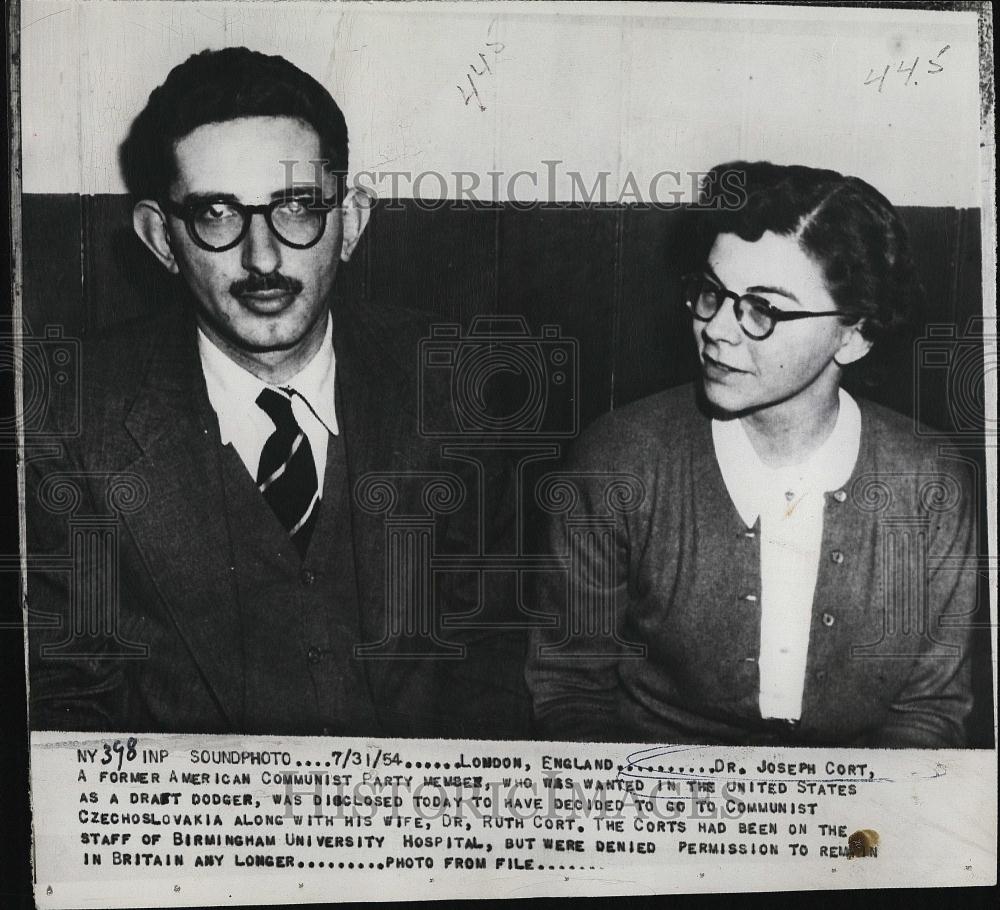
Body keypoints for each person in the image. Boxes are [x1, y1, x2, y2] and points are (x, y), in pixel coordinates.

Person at [26, 47, 529, 737]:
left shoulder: (453, 390)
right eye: (216, 213)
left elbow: (491, 668)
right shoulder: (72, 420)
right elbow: (66, 709)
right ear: (162, 240)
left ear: (350, 221)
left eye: (295, 207)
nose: (261, 258)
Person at [526, 162, 977, 747]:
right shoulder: (618, 459)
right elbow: (570, 694)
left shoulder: (928, 481)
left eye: (764, 309)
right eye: (712, 293)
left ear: (854, 336)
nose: (717, 329)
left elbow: (929, 711)